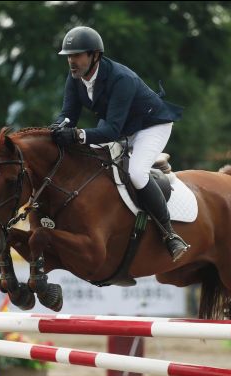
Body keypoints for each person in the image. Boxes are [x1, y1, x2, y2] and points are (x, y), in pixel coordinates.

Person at [49, 26, 189, 262]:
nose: (72, 61)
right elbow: (68, 115)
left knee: (135, 173)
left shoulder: (121, 78)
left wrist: (78, 135)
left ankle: (169, 234)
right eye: (69, 56)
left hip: (150, 126)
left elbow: (111, 130)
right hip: (122, 126)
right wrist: (55, 129)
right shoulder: (75, 79)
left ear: (95, 55)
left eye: (77, 55)